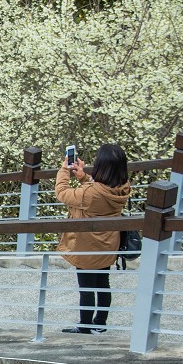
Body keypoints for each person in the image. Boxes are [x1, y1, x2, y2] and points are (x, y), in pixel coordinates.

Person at [56, 143, 132, 334]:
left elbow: (63, 193)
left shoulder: (90, 193)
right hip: (108, 243)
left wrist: (65, 170)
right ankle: (100, 322)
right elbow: (101, 191)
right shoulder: (123, 187)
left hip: (88, 245)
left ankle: (85, 326)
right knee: (103, 284)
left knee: (86, 287)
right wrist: (84, 178)